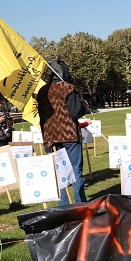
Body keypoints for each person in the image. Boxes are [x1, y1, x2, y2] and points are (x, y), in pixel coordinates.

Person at [37, 58, 90, 205]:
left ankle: (64, 206)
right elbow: (74, 113)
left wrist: (45, 140)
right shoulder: (68, 88)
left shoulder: (43, 91)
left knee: (61, 172)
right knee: (75, 171)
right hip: (69, 135)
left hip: (51, 136)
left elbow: (41, 117)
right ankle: (80, 205)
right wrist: (83, 106)